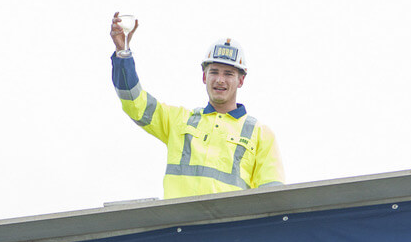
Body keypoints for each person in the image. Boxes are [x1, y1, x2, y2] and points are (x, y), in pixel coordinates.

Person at [110, 12, 284, 199]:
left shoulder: (261, 135)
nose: (219, 80)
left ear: (241, 80)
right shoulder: (178, 120)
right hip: (179, 225)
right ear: (204, 77)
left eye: (228, 74)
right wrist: (123, 53)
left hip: (229, 228)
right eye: (214, 72)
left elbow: (272, 197)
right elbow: (134, 103)